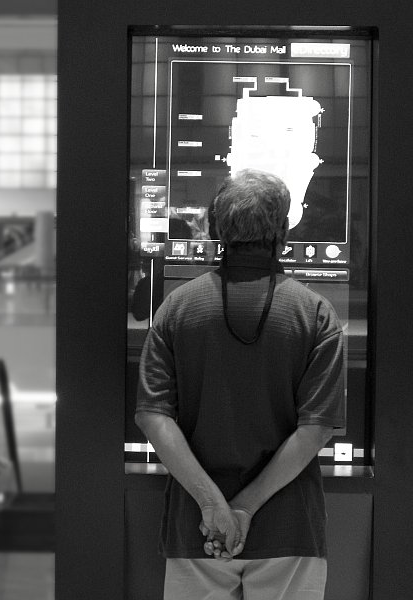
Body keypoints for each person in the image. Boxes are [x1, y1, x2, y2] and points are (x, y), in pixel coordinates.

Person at [135, 169, 345, 600]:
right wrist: (244, 507)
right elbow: (316, 428)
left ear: (215, 229)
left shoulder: (176, 308)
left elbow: (153, 417)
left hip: (196, 529)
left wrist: (214, 505)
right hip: (290, 530)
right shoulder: (317, 314)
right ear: (284, 230)